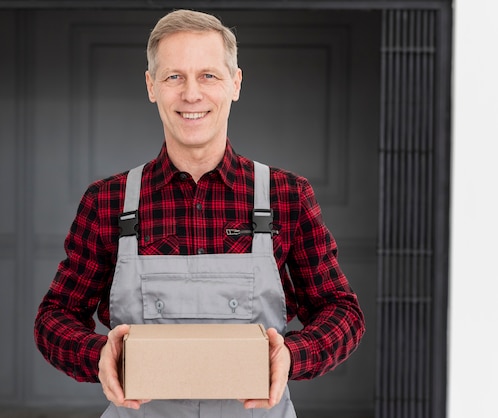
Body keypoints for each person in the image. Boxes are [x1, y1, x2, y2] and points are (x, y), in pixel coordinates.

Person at [34, 8, 365, 418]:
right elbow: (54, 319)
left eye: (208, 75)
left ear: (235, 83)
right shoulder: (109, 201)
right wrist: (101, 355)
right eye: (174, 76)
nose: (192, 94)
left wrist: (293, 355)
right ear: (151, 86)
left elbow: (342, 312)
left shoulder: (287, 196)